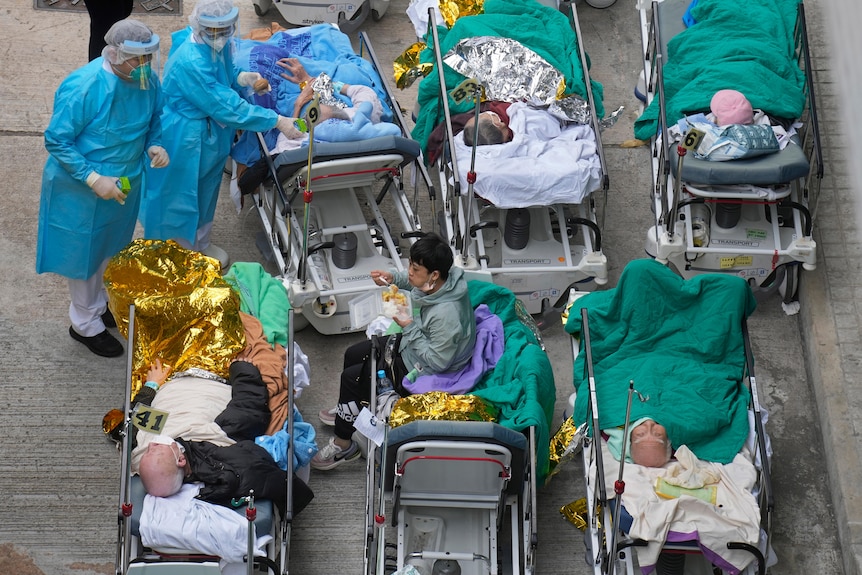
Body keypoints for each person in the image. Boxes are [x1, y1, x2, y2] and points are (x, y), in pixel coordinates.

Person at [36, 19, 169, 358]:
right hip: (80, 188)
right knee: (84, 254)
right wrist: (93, 178)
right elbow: (57, 139)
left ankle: (96, 305)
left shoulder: (145, 80)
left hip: (124, 182)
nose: (143, 67)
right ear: (114, 53)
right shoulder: (86, 85)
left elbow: (154, 119)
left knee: (111, 249)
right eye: (136, 60)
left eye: (147, 59)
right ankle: (84, 324)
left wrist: (155, 145)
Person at [140, 0, 303, 270]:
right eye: (216, 31)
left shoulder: (218, 43)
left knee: (206, 188)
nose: (223, 36)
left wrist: (244, 78)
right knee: (179, 194)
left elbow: (225, 73)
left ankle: (200, 243)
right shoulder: (190, 61)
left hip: (210, 132)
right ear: (200, 27)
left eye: (226, 30)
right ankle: (174, 252)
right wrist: (276, 120)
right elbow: (226, 106)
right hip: (184, 135)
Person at [311, 233, 477, 470]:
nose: (409, 271)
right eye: (410, 264)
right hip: (416, 340)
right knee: (353, 354)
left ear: (435, 274)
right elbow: (417, 284)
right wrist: (393, 278)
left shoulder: (446, 317)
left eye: (414, 268)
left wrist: (407, 325)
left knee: (352, 378)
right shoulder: (443, 283)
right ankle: (352, 405)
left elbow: (438, 362)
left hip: (423, 367)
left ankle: (344, 443)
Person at [136, 354, 314, 515]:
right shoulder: (216, 438)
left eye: (149, 451)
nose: (152, 445)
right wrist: (242, 367)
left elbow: (130, 417)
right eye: (156, 450)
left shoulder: (140, 448)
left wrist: (151, 386)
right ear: (181, 460)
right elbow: (249, 405)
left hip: (167, 381)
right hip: (213, 374)